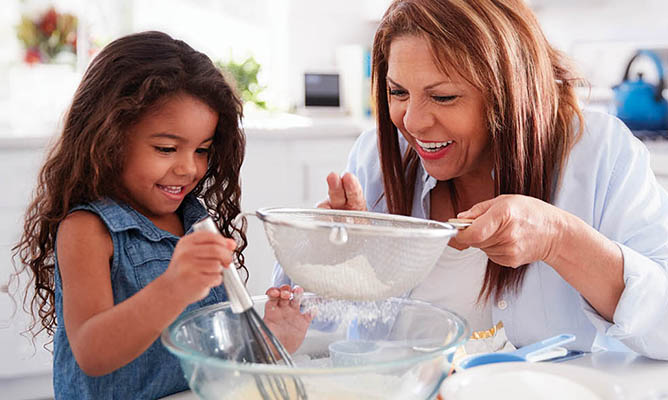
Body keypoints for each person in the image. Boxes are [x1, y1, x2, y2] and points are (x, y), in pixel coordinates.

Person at [274, 0, 668, 360]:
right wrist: (332, 254)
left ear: (509, 93)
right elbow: (315, 334)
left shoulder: (600, 155)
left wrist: (558, 239)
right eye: (398, 92)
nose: (412, 122)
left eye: (443, 97)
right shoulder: (378, 158)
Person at [12, 31, 311, 399]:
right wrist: (174, 287)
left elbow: (209, 352)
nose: (189, 168)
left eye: (202, 150)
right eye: (167, 148)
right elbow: (92, 351)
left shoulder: (195, 220)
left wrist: (269, 339)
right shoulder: (88, 230)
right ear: (108, 139)